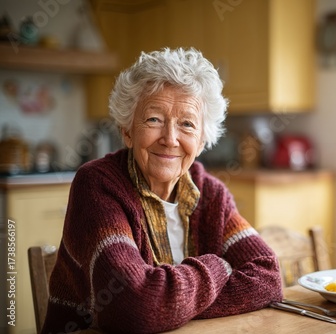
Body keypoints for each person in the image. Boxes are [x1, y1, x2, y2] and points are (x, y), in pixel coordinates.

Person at [42, 48, 283, 333]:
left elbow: (269, 276)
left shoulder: (212, 194)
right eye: (154, 119)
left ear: (202, 140)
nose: (170, 139)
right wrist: (218, 267)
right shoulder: (97, 185)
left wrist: (168, 306)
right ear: (127, 131)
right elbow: (134, 307)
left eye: (187, 124)